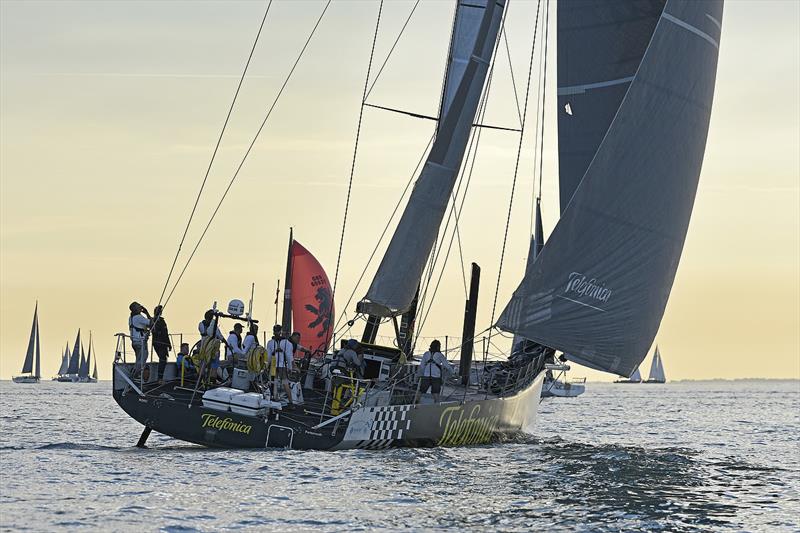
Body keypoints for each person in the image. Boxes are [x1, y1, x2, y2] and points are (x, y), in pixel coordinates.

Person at [415, 340, 454, 404]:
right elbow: (446, 365)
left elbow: (422, 366)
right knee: (435, 392)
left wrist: (421, 374)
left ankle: (416, 403)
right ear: (438, 347)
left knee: (421, 390)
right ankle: (436, 405)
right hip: (436, 376)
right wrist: (453, 372)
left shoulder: (426, 354)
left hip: (426, 375)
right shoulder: (440, 355)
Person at [128, 302, 152, 372]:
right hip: (140, 341)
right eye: (139, 306)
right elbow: (151, 323)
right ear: (136, 309)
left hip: (134, 341)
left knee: (138, 359)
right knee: (142, 359)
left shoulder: (131, 317)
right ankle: (136, 375)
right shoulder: (138, 317)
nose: (141, 306)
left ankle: (135, 373)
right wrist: (146, 312)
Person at [151, 305, 171, 383]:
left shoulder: (161, 321)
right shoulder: (154, 321)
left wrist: (169, 344)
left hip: (162, 343)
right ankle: (160, 378)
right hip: (159, 343)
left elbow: (166, 333)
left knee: (163, 359)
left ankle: (160, 377)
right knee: (162, 359)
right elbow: (155, 331)